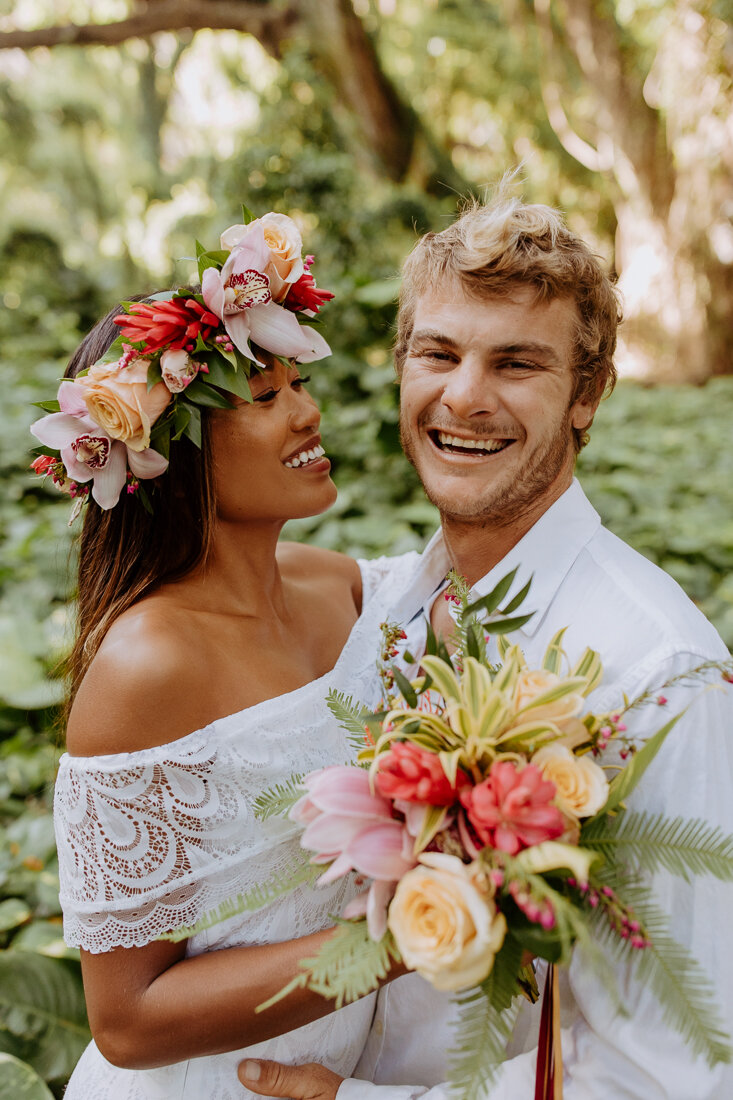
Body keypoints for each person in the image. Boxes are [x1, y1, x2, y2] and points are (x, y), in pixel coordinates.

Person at [237, 194, 733, 1099]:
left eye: (515, 363)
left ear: (585, 397)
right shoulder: (385, 609)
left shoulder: (658, 678)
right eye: (437, 352)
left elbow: (670, 1075)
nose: (463, 395)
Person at [30, 212, 413, 1098]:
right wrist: (395, 943)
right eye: (267, 398)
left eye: (297, 386)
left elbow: (471, 595)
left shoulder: (336, 587)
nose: (309, 411)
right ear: (174, 452)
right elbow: (125, 1022)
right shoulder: (146, 668)